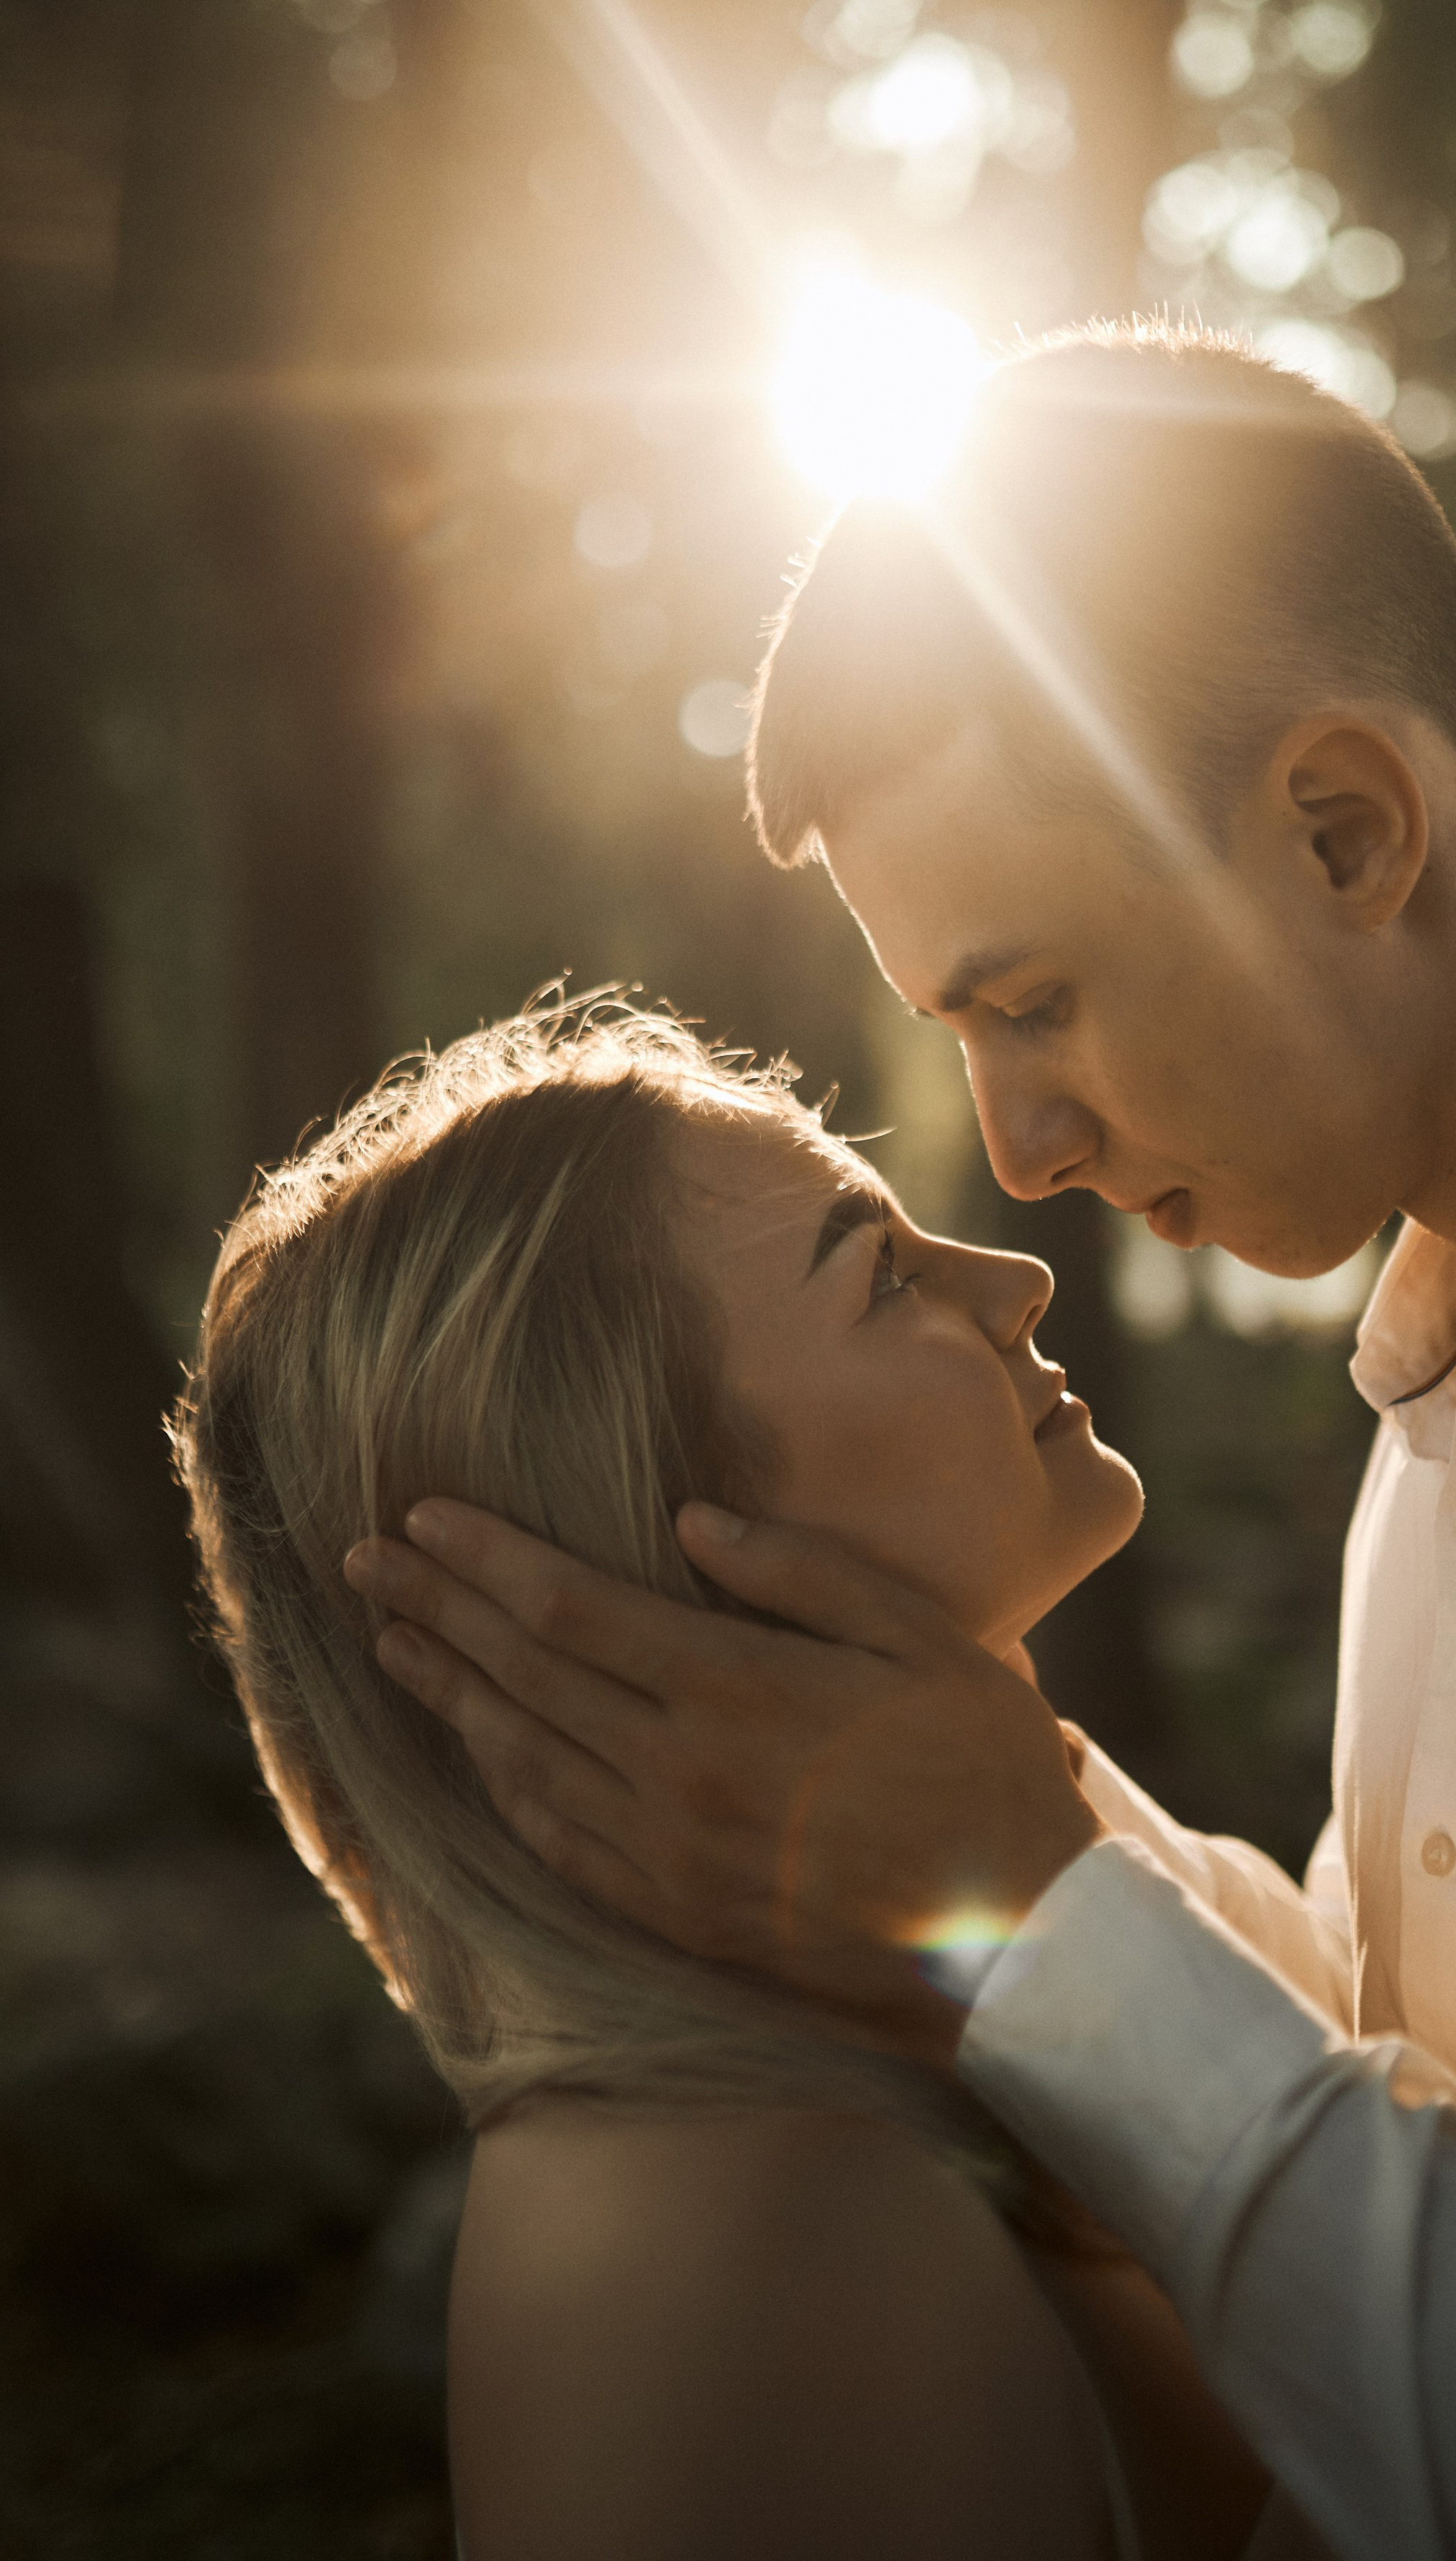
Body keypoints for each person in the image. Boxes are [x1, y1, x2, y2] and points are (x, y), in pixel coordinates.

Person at [353, 323, 1456, 2557]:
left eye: (1030, 1004)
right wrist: (961, 1837)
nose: (1019, 1158)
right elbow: (1445, 2115)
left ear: (1348, 831)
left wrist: (1042, 1918)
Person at [175, 995, 1279, 2560]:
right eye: (879, 1272)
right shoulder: (759, 2240)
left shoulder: (897, 2034)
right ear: (651, 1524)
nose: (1018, 1276)